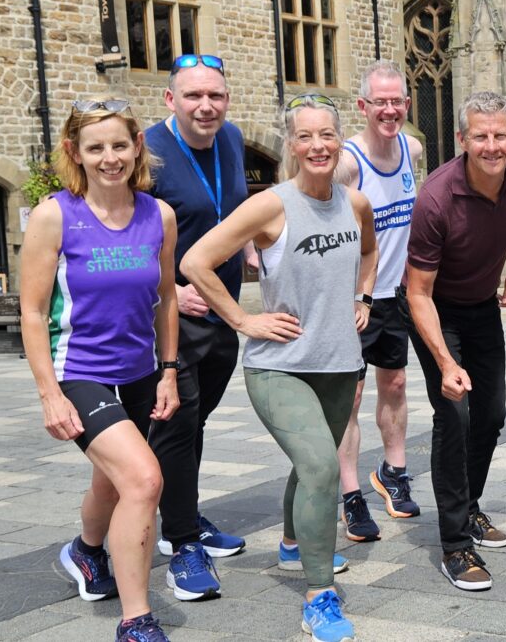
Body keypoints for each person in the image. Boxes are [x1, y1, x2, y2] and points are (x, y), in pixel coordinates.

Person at [180, 93, 376, 642]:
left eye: (327, 135)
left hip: (340, 362)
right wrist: (243, 319)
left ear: (340, 140)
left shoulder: (354, 203)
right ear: (290, 144)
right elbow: (196, 261)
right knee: (321, 468)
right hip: (278, 365)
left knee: (310, 463)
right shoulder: (271, 205)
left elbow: (368, 254)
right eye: (305, 136)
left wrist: (365, 300)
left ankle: (293, 542)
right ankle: (319, 595)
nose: (317, 145)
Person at [20, 98, 179, 642]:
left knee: (112, 482)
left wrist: (169, 370)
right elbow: (33, 311)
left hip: (138, 372)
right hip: (80, 371)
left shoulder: (158, 215)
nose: (109, 157)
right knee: (143, 478)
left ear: (137, 146)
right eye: (96, 148)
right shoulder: (55, 214)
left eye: (119, 145)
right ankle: (136, 620)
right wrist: (49, 394)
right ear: (75, 153)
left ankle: (86, 552)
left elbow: (167, 300)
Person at [401, 91, 506, 592]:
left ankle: (470, 505)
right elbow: (417, 294)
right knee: (454, 415)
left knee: (492, 414)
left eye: (500, 134)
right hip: (434, 309)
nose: (491, 145)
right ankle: (456, 543)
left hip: (481, 306)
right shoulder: (436, 199)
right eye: (479, 135)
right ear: (462, 140)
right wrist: (444, 362)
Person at [143, 53, 250, 602]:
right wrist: (169, 290)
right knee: (177, 425)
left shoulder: (230, 139)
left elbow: (231, 212)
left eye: (216, 96)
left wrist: (252, 251)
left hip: (223, 311)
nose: (206, 106)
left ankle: (180, 514)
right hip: (171, 319)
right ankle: (181, 543)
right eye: (193, 96)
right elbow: (126, 233)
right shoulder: (146, 152)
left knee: (194, 424)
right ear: (170, 100)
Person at [334, 60, 424, 542]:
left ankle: (393, 471)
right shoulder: (348, 163)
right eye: (379, 102)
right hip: (353, 300)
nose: (389, 110)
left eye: (397, 102)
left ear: (406, 105)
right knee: (348, 398)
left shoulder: (412, 149)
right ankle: (350, 494)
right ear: (362, 106)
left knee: (396, 384)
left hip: (396, 296)